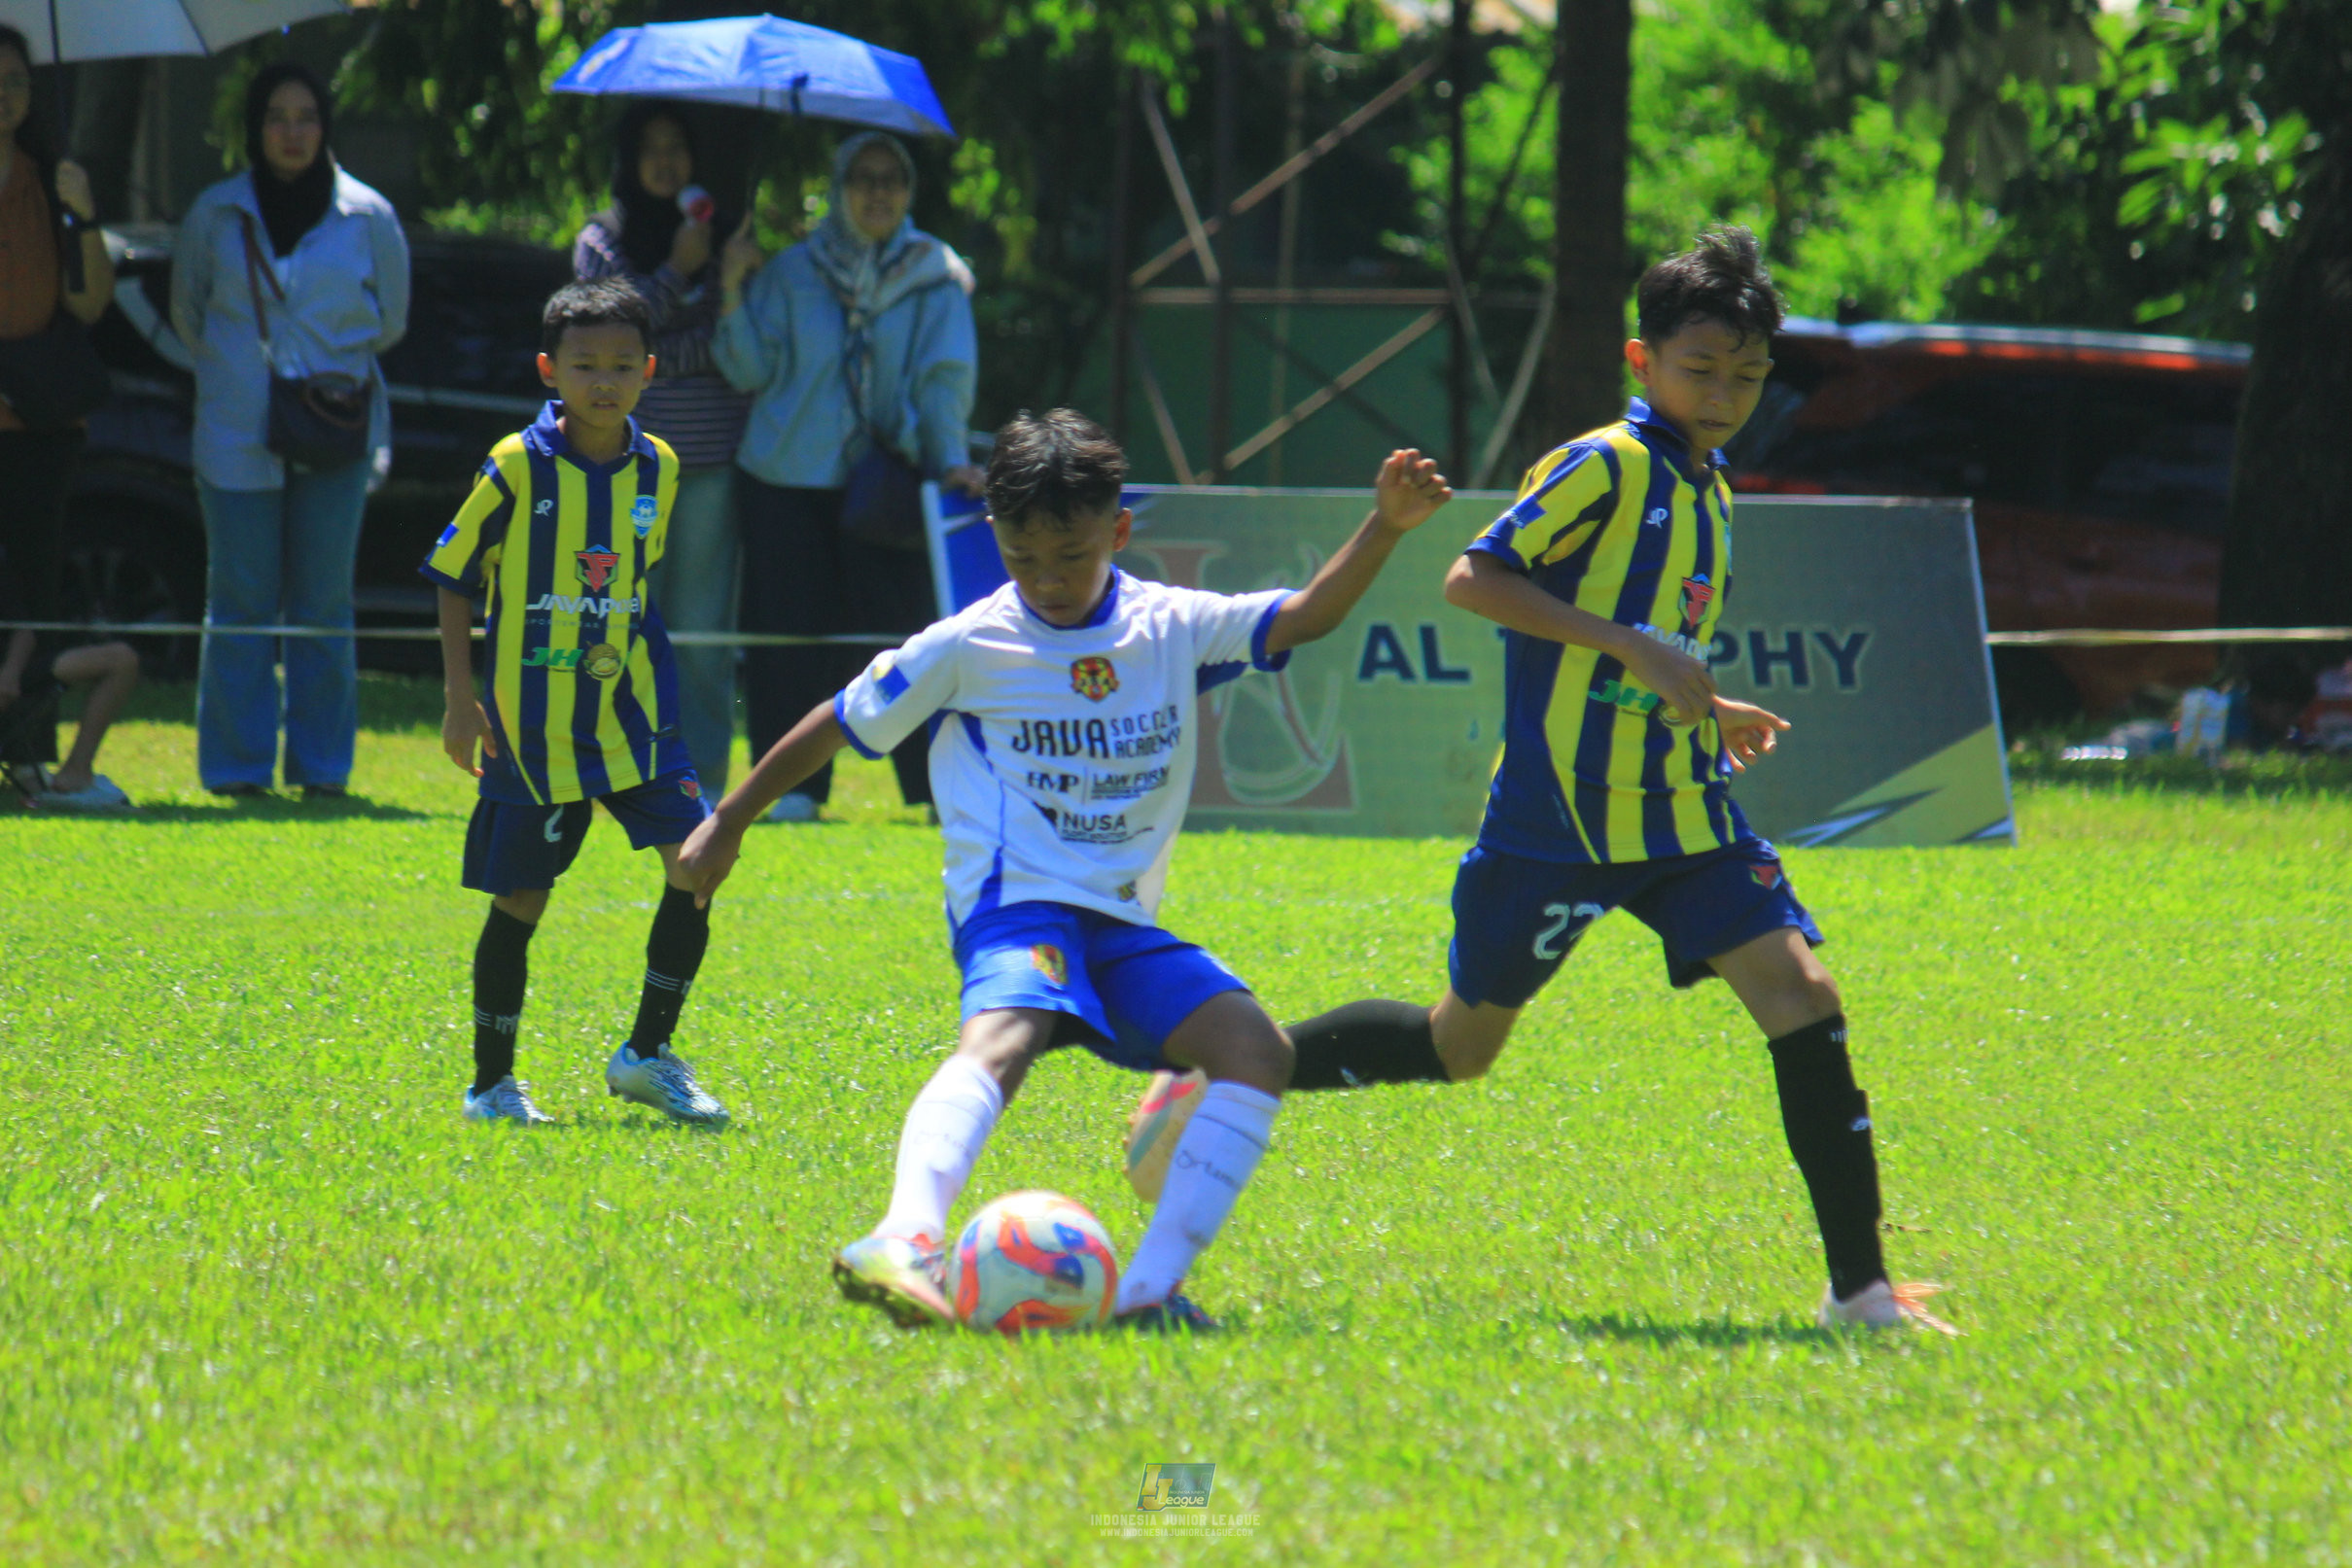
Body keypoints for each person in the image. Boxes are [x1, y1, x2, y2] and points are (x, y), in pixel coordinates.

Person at [1126, 230, 1955, 1335]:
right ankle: (1230, 1068)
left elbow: (1651, 638)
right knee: (1458, 1046)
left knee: (1803, 996)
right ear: (1641, 360)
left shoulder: (1707, 487)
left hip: (1679, 815)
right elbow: (1475, 577)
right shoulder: (1602, 462)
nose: (1724, 394)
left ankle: (1859, 1289)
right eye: (1701, 369)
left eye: (1748, 376)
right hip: (1554, 821)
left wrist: (1702, 700)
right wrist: (1632, 648)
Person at [677, 409, 1453, 1331]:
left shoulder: (1171, 625)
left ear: (1118, 531)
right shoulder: (968, 643)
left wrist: (1386, 526)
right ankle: (902, 1236)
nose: (1045, 579)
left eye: (1070, 555)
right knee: (1003, 1039)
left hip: (1122, 922)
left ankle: (1146, 1293)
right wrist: (727, 822)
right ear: (996, 542)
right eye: (1020, 558)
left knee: (1257, 1051)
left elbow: (1306, 617)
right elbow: (837, 720)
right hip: (1018, 906)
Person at [423, 280, 728, 1129]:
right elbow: (452, 576)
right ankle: (492, 1085)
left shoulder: (659, 467)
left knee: (696, 866)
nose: (604, 380)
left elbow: (635, 580)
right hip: (533, 728)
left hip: (632, 717)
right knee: (522, 900)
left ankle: (646, 1054)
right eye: (585, 364)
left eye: (622, 365)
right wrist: (459, 698)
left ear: (648, 371)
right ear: (549, 370)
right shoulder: (516, 464)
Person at [713, 130, 985, 823]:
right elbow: (746, 370)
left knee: (906, 634)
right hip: (783, 471)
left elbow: (943, 381)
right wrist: (733, 287)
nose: (876, 192)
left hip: (885, 480)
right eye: (862, 178)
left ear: (909, 192)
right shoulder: (793, 271)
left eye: (891, 179)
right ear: (837, 188)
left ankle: (932, 790)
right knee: (785, 631)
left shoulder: (935, 274)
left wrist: (948, 456)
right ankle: (795, 789)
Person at [170, 62, 409, 800]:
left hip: (336, 427)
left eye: (307, 116)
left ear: (326, 125)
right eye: (277, 116)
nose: (293, 131)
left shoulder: (368, 215)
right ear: (254, 128)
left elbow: (393, 322)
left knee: (322, 605)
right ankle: (237, 772)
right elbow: (190, 314)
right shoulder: (216, 213)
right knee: (240, 600)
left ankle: (323, 770)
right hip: (237, 431)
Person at [573, 101, 753, 794]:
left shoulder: (725, 238)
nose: (664, 160)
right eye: (649, 147)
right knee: (619, 623)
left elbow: (731, 346)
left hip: (709, 465)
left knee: (703, 638)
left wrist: (647, 355)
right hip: (621, 466)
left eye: (677, 146)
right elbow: (601, 343)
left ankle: (699, 778)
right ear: (628, 159)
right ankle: (618, 767)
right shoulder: (600, 242)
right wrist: (678, 272)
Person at [0, 23, 118, 807]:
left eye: (15, 79)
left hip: (38, 429)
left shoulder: (50, 181)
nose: (4, 92)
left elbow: (88, 300)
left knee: (33, 592)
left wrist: (85, 215)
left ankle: (25, 758)